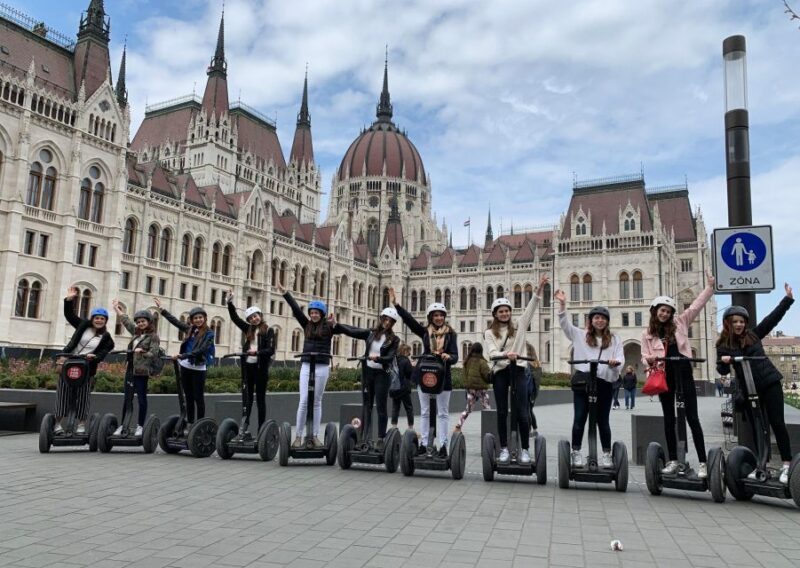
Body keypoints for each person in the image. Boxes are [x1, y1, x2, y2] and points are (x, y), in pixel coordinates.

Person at [717, 283, 795, 484]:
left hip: (769, 382)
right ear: (728, 323)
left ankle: (787, 464)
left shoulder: (754, 335)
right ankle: (762, 465)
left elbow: (772, 319)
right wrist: (723, 362)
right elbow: (722, 370)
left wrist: (787, 299)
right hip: (749, 390)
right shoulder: (723, 345)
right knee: (757, 427)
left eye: (742, 321)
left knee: (777, 423)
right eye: (735, 321)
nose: (739, 324)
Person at [642, 273, 715, 478]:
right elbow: (644, 354)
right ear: (655, 312)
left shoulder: (681, 322)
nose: (664, 314)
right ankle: (673, 460)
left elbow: (695, 306)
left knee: (692, 417)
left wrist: (710, 288)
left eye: (667, 311)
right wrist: (648, 360)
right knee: (668, 418)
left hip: (682, 372)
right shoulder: (648, 333)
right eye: (661, 310)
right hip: (664, 374)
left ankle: (702, 462)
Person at [555, 289, 623, 468]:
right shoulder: (580, 335)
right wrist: (562, 304)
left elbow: (620, 358)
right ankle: (576, 451)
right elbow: (564, 324)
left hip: (604, 384)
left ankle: (606, 454)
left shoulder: (615, 339)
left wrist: (615, 363)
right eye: (596, 318)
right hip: (584, 384)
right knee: (579, 418)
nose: (599, 320)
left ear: (607, 321)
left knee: (603, 421)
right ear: (591, 321)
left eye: (602, 318)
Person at [484, 275, 548, 465]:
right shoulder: (489, 333)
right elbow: (492, 351)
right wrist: (506, 355)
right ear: (495, 314)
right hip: (501, 372)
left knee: (522, 411)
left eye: (507, 311)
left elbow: (530, 309)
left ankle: (525, 450)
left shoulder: (519, 325)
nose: (504, 314)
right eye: (501, 311)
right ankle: (504, 448)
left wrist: (539, 289)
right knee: (502, 411)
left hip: (519, 370)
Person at [389, 287, 458, 457]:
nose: (439, 318)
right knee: (425, 411)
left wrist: (449, 356)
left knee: (442, 413)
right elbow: (410, 321)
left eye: (441, 315)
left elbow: (456, 356)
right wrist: (396, 305)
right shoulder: (425, 332)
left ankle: (443, 445)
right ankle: (424, 443)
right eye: (435, 315)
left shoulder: (451, 334)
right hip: (425, 375)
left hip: (443, 377)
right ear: (430, 318)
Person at [278, 282, 343, 448]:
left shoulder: (329, 327)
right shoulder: (306, 324)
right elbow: (296, 309)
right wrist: (286, 293)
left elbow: (344, 329)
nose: (313, 315)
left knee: (317, 401)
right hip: (307, 365)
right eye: (312, 312)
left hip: (321, 366)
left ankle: (314, 435)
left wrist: (335, 324)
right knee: (304, 400)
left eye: (316, 313)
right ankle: (298, 436)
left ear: (322, 314)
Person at [335, 307, 400, 449]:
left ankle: (381, 438)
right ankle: (364, 438)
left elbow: (390, 357)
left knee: (381, 407)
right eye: (385, 319)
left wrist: (379, 359)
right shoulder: (371, 333)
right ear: (381, 319)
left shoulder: (394, 339)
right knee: (367, 406)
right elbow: (353, 331)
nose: (387, 323)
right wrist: (337, 325)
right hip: (368, 373)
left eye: (391, 321)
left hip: (382, 375)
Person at [54, 287, 115, 435]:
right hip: (70, 362)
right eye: (96, 318)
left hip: (87, 368)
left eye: (102, 319)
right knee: (64, 393)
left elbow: (103, 353)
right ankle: (57, 424)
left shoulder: (107, 338)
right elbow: (69, 315)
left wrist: (95, 357)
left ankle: (81, 424)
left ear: (105, 321)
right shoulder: (82, 326)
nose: (99, 321)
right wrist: (69, 300)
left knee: (82, 396)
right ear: (92, 319)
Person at [154, 298, 215, 431]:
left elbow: (202, 350)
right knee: (188, 396)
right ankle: (190, 423)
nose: (198, 320)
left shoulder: (209, 334)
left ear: (204, 318)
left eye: (200, 317)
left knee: (198, 397)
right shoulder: (189, 330)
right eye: (195, 318)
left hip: (198, 367)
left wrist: (183, 356)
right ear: (192, 320)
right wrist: (162, 310)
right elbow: (175, 321)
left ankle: (200, 424)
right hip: (185, 366)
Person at [226, 291, 276, 435]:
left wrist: (257, 353)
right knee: (247, 398)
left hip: (260, 369)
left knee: (260, 400)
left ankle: (261, 429)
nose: (254, 319)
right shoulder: (248, 329)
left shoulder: (268, 330)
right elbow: (235, 318)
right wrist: (229, 303)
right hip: (248, 368)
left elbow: (271, 350)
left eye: (255, 316)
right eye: (251, 318)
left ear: (260, 316)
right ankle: (244, 426)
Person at [111, 300, 160, 437]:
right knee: (127, 398)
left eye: (143, 321)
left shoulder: (153, 337)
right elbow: (126, 321)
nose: (140, 324)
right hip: (130, 370)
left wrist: (142, 352)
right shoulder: (136, 333)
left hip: (142, 372)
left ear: (149, 322)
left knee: (141, 399)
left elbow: (154, 353)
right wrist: (117, 309)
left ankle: (140, 426)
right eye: (138, 322)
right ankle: (123, 425)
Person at [455, 342, 491, 430]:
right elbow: (487, 376)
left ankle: (458, 425)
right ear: (481, 351)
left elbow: (464, 376)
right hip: (481, 389)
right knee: (487, 407)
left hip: (471, 390)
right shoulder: (482, 362)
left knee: (468, 409)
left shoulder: (467, 361)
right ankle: (491, 427)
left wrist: (467, 386)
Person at [391, 344, 415, 430]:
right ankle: (410, 427)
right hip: (404, 388)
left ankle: (394, 426)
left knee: (395, 407)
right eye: (409, 351)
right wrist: (412, 366)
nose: (410, 353)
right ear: (405, 351)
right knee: (409, 408)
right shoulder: (406, 361)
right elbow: (409, 374)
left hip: (394, 387)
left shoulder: (394, 360)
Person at [525, 342, 542, 437]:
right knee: (530, 410)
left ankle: (528, 430)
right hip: (534, 391)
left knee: (527, 410)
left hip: (528, 390)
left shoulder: (527, 363)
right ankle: (535, 429)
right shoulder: (537, 364)